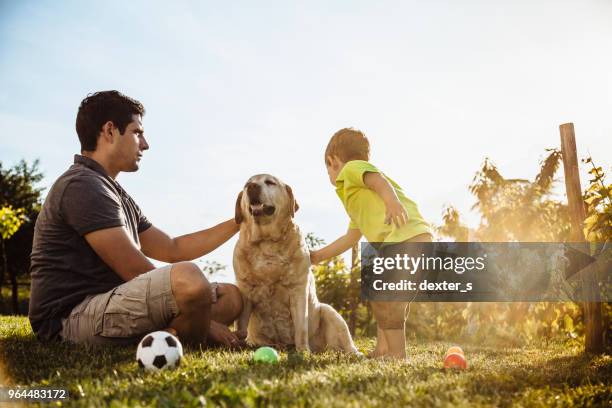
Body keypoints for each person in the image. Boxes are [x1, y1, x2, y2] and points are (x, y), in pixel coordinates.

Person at [29, 90, 242, 347]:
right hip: (69, 320)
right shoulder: (81, 185)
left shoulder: (113, 191)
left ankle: (169, 334)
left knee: (231, 297)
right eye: (137, 132)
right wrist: (207, 324)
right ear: (109, 131)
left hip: (116, 304)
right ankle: (181, 334)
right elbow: (134, 270)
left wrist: (239, 221)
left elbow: (173, 248)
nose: (145, 144)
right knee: (189, 280)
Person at [309, 128, 432, 359]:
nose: (329, 176)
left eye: (327, 170)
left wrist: (392, 202)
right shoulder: (355, 198)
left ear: (332, 161)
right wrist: (317, 256)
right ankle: (383, 348)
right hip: (409, 241)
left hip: (406, 238)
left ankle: (396, 354)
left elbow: (378, 180)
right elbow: (350, 238)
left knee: (386, 295)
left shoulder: (352, 169)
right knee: (383, 296)